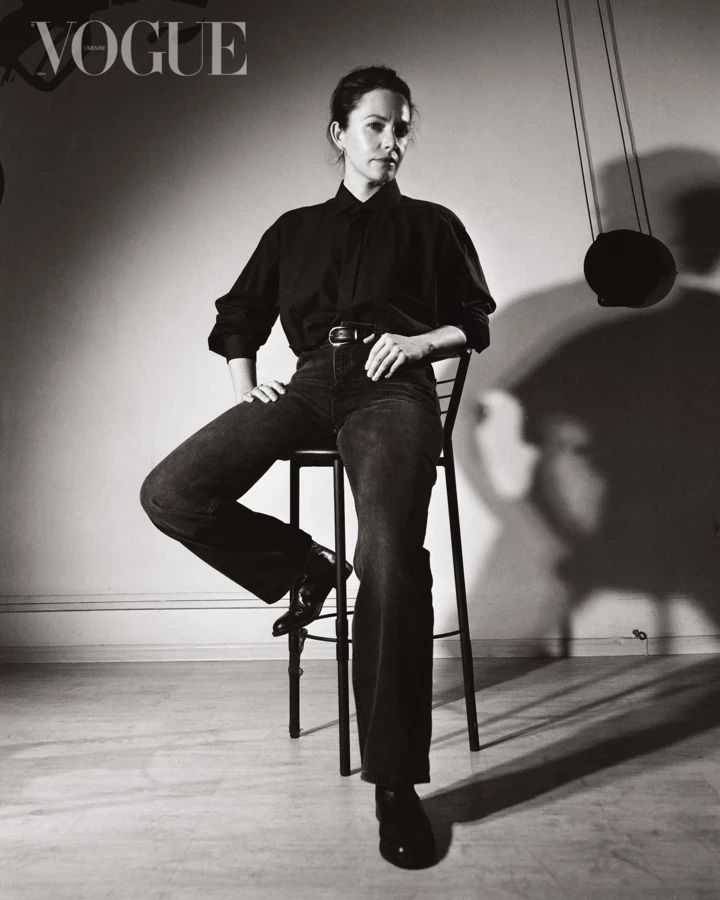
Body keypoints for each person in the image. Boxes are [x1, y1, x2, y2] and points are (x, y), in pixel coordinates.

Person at [140, 64, 495, 869]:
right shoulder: (294, 229)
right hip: (305, 386)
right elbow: (238, 315)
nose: (392, 141)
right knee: (171, 492)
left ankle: (394, 783)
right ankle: (306, 566)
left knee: (391, 557)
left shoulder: (433, 225)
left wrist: (418, 343)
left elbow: (473, 321)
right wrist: (246, 385)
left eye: (402, 128)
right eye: (376, 125)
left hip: (392, 391)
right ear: (340, 133)